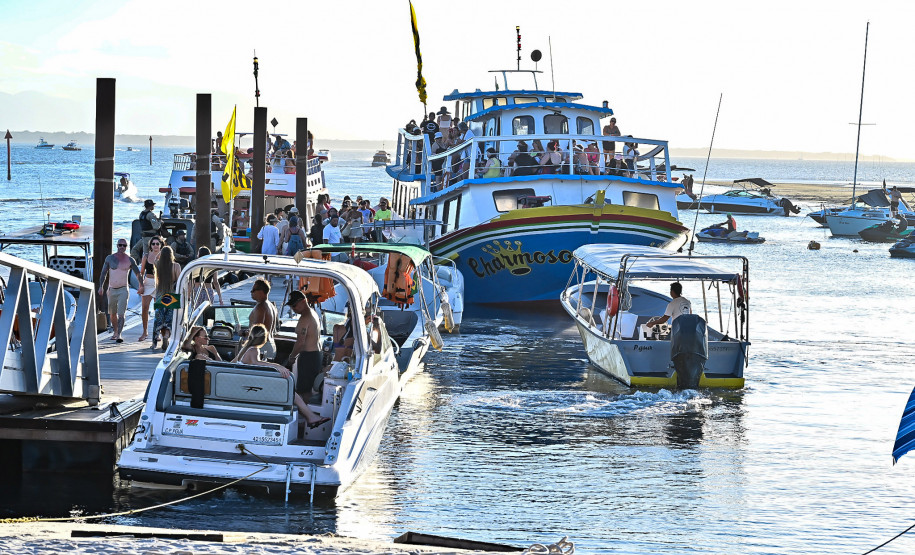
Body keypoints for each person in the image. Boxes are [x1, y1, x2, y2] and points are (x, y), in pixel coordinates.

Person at [238, 323, 330, 428]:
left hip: (247, 383)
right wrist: (277, 366)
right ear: (264, 338)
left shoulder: (246, 349)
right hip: (251, 386)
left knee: (289, 390)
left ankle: (309, 417)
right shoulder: (254, 350)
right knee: (289, 390)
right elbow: (256, 363)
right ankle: (310, 417)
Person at [97, 238, 144, 343]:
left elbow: (137, 273)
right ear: (117, 246)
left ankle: (119, 334)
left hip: (123, 289)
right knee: (112, 314)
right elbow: (103, 273)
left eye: (124, 245)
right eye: (120, 245)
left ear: (126, 247)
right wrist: (101, 286)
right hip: (112, 289)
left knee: (121, 313)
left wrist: (141, 285)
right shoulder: (110, 258)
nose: (122, 247)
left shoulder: (130, 260)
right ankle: (115, 331)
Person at [285, 291, 326, 403]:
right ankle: (307, 416)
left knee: (303, 391)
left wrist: (292, 357)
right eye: (291, 306)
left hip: (309, 356)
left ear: (303, 301)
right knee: (306, 390)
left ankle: (306, 418)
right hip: (315, 355)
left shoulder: (305, 317)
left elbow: (300, 342)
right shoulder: (313, 313)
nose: (293, 309)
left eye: (294, 305)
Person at [152, 245, 182, 351]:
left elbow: (154, 260)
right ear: (171, 255)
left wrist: (160, 253)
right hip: (172, 294)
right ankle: (166, 337)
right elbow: (179, 281)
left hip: (160, 294)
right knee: (170, 319)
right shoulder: (176, 266)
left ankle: (156, 340)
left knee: (160, 319)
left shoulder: (158, 265)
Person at [245, 278, 278, 360]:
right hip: (271, 345)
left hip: (262, 348)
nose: (251, 292)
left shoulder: (260, 307)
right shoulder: (271, 305)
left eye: (253, 290)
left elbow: (257, 332)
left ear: (261, 291)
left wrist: (243, 333)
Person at [138, 236, 162, 341]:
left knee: (159, 310)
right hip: (148, 282)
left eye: (157, 243)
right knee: (144, 308)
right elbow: (141, 272)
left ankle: (158, 332)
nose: (155, 245)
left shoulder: (164, 256)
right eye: (153, 244)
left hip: (159, 283)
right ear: (150, 245)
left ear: (161, 245)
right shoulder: (146, 256)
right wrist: (141, 285)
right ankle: (145, 331)